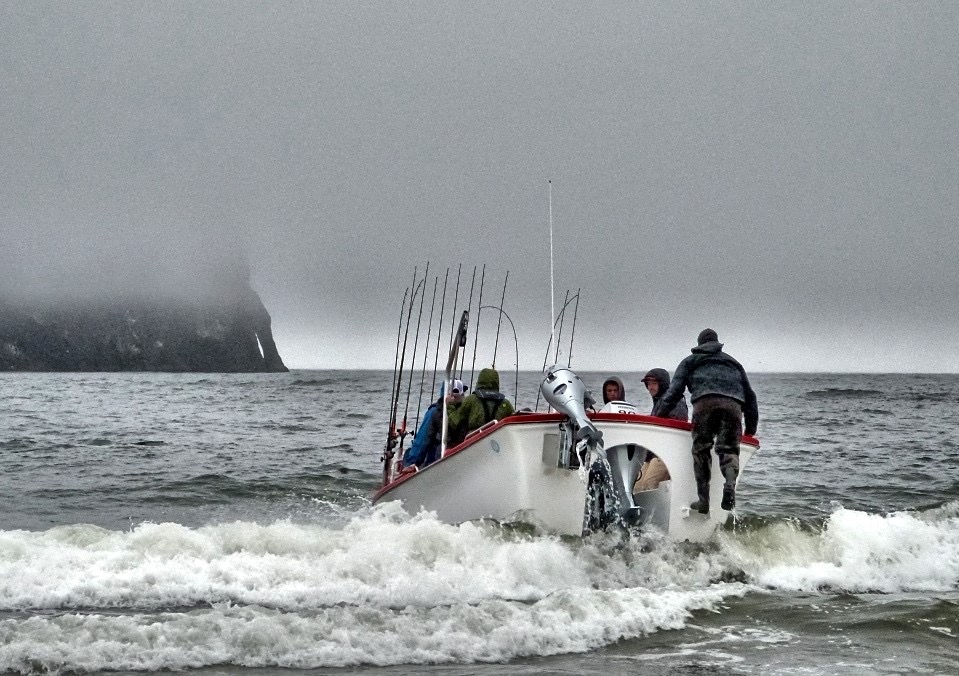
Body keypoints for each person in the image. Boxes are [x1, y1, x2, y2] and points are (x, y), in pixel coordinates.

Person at [652, 328, 758, 513]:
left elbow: (674, 392)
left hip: (704, 404)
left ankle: (704, 501)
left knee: (701, 451)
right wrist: (750, 429)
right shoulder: (734, 364)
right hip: (733, 406)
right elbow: (750, 397)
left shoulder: (690, 361)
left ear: (699, 344)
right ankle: (729, 484)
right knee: (729, 450)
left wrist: (658, 416)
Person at [403, 379, 465, 469]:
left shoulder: (435, 412)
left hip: (437, 459)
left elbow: (423, 440)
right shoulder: (463, 411)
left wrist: (413, 463)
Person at [446, 367, 514, 446]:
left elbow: (454, 422)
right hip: (498, 443)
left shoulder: (471, 400)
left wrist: (450, 405)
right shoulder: (506, 403)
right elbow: (513, 423)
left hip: (474, 441)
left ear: (479, 381)